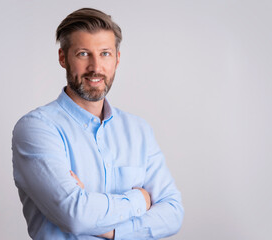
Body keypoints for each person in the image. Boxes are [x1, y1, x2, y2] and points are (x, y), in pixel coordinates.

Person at [12, 8, 183, 240]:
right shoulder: (36, 129)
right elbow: (75, 216)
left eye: (105, 54)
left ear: (117, 59)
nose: (95, 67)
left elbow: (172, 213)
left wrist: (108, 228)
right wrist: (139, 200)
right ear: (63, 58)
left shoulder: (138, 130)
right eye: (83, 54)